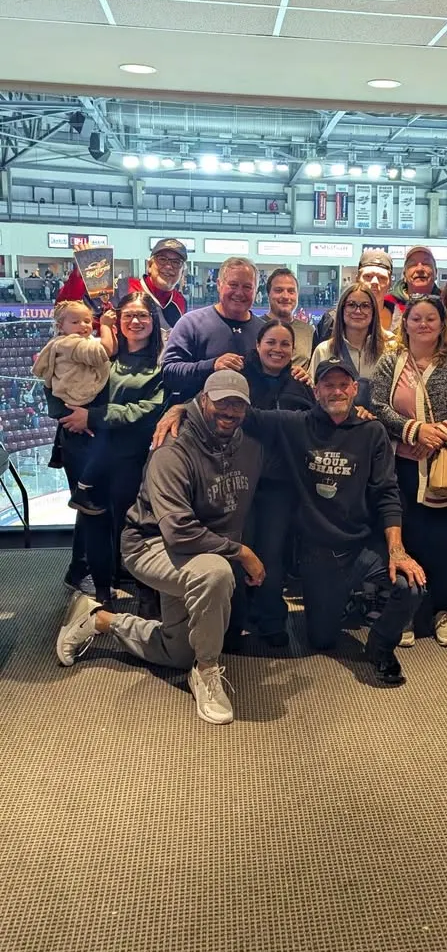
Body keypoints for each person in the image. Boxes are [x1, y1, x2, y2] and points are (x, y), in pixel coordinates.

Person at [154, 356, 427, 685]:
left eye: (344, 384)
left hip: (363, 548)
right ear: (316, 391)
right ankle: (340, 603)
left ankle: (381, 646)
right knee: (322, 641)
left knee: (412, 586)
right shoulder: (295, 424)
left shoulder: (373, 432)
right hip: (319, 555)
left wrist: (397, 550)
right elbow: (235, 410)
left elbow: (387, 492)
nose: (337, 391)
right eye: (328, 384)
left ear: (355, 389)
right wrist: (182, 408)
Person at [55, 370, 266, 726]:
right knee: (216, 575)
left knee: (178, 651)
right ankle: (207, 672)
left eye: (237, 404)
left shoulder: (249, 445)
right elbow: (179, 532)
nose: (229, 411)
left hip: (202, 551)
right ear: (203, 400)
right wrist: (242, 553)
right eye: (221, 401)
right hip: (152, 544)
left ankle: (98, 619)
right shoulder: (172, 449)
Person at [371, 294, 447, 648]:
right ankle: (405, 611)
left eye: (430, 318)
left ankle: (441, 611)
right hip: (402, 464)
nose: (423, 324)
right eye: (416, 318)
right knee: (410, 539)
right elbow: (375, 404)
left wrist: (438, 435)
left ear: (442, 323)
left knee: (446, 545)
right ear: (405, 323)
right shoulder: (392, 361)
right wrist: (414, 430)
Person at [55, 292, 166, 607]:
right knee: (94, 521)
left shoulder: (160, 364)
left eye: (142, 315)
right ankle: (103, 592)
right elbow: (60, 380)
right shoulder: (101, 351)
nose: (135, 321)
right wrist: (68, 413)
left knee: (133, 523)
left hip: (128, 456)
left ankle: (146, 591)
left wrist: (92, 416)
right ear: (117, 319)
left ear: (153, 321)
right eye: (128, 314)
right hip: (83, 451)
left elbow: (147, 411)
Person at [242, 319, 314, 646]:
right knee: (238, 547)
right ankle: (236, 617)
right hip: (238, 480)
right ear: (258, 345)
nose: (277, 349)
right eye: (271, 342)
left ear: (293, 351)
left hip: (280, 485)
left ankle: (272, 618)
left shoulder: (301, 386)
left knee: (272, 553)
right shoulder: (239, 380)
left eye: (285, 344)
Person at [33, 299, 115, 515]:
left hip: (73, 403)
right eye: (75, 321)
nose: (84, 326)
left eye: (88, 320)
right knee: (102, 449)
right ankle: (82, 490)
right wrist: (105, 325)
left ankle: (79, 483)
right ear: (61, 326)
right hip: (80, 401)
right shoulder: (72, 343)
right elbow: (104, 350)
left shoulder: (64, 342)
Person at [162, 256, 264, 401]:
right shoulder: (191, 323)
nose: (239, 293)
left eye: (247, 287)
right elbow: (169, 374)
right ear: (219, 284)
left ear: (256, 290)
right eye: (233, 285)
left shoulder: (264, 332)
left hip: (251, 419)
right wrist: (212, 365)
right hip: (200, 419)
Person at [309, 282, 386, 408]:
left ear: (373, 311)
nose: (358, 311)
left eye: (365, 306)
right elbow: (314, 394)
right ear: (342, 309)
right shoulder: (324, 350)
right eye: (351, 305)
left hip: (378, 425)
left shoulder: (388, 350)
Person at [313, 248, 395, 344]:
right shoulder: (332, 320)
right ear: (357, 279)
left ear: (390, 283)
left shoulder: (401, 319)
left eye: (382, 278)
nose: (375, 282)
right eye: (368, 276)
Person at [115, 237, 187, 330]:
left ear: (182, 272)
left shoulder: (180, 301)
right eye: (162, 259)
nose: (169, 266)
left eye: (176, 262)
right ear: (149, 265)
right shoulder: (122, 288)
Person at [262, 267, 313, 365]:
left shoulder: (309, 331)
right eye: (278, 290)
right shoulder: (255, 327)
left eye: (291, 291)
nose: (285, 296)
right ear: (268, 294)